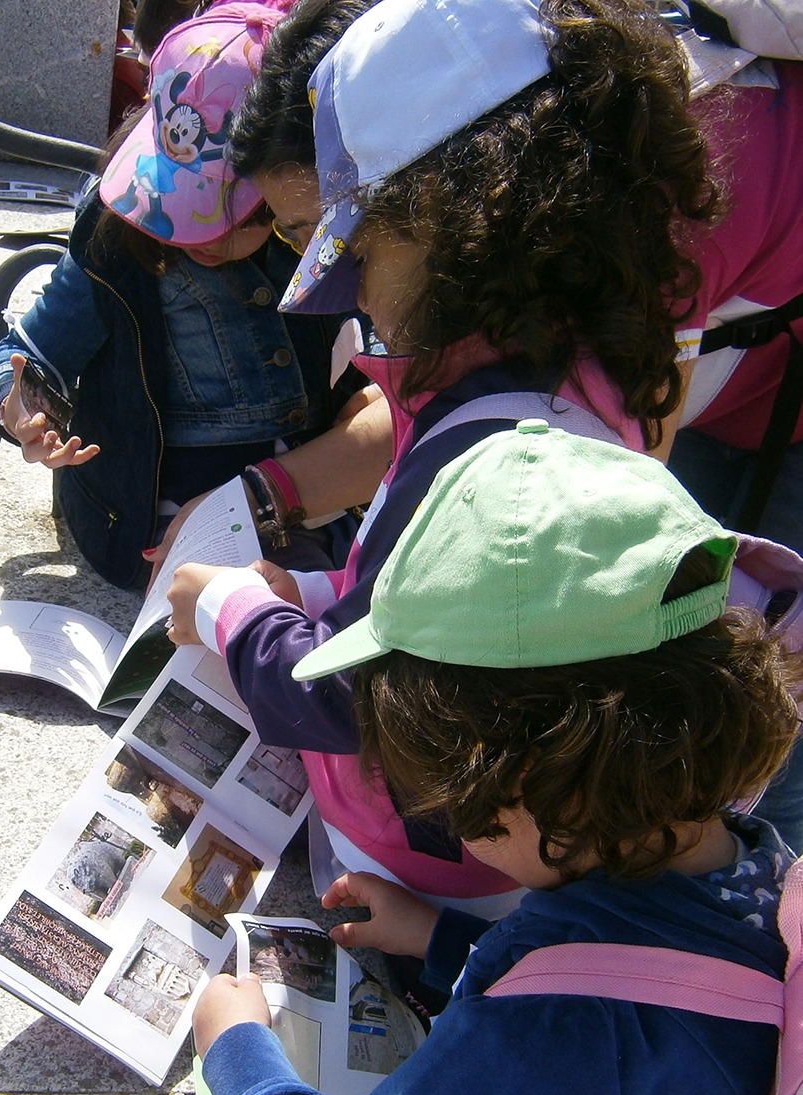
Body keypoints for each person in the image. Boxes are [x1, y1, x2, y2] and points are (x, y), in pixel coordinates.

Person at [165, 0, 729, 915]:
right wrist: (316, 597)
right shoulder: (588, 356)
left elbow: (364, 698)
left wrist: (229, 608)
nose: (345, 292)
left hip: (423, 852)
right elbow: (441, 601)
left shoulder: (485, 451)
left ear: (449, 224)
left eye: (357, 252)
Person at [191, 421, 800, 1095]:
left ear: (522, 777)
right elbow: (626, 960)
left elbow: (556, 1040)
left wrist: (240, 1055)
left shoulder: (544, 1042)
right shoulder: (752, 864)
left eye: (437, 784)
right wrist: (436, 936)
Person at [0, 2, 369, 590]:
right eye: (183, 207)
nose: (199, 236)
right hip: (154, 506)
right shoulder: (117, 231)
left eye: (235, 217)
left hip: (305, 493)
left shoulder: (319, 225)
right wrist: (22, 404)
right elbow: (33, 348)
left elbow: (368, 365)